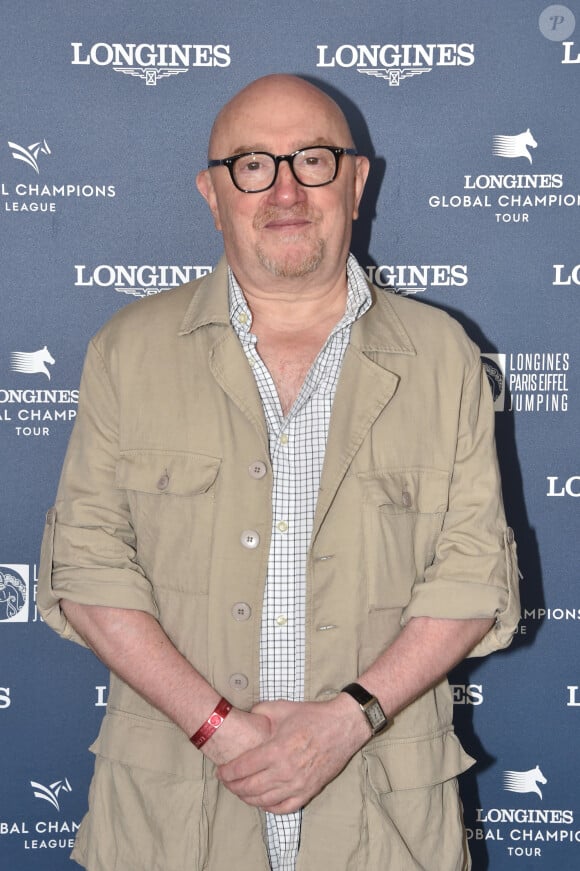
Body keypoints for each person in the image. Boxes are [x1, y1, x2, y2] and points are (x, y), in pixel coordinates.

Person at [38, 74, 520, 871]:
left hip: (385, 818)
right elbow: (88, 567)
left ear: (357, 181)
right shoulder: (127, 349)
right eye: (252, 164)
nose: (287, 189)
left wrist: (346, 721)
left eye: (314, 161)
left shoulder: (443, 356)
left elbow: (472, 576)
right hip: (172, 818)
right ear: (212, 191)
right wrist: (219, 726)